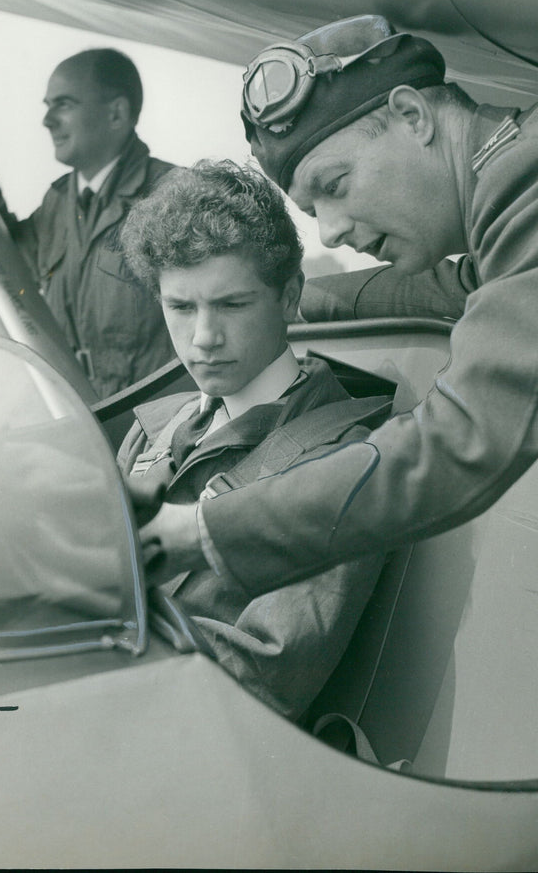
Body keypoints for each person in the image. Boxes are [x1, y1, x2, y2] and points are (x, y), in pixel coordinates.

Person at [139, 13, 538, 596]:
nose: (332, 233)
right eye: (313, 212)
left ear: (412, 115)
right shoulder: (527, 179)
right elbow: (442, 290)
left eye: (334, 185)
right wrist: (263, 299)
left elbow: (460, 442)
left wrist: (202, 531)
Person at [116, 159, 389, 718]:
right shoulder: (154, 432)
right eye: (180, 307)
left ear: (290, 297)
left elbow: (263, 676)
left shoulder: (341, 464)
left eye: (233, 304)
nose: (204, 338)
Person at [0, 48, 177, 398]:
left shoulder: (173, 197)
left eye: (64, 104)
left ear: (116, 113)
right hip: (83, 417)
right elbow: (17, 268)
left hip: (155, 421)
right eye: (47, 106)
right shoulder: (57, 203)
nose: (47, 120)